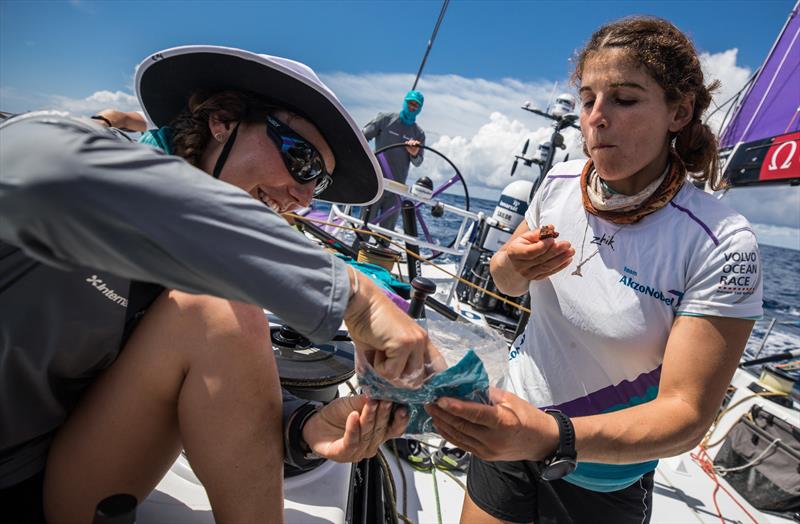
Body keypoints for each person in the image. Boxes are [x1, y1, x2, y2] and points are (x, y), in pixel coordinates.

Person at [0, 46, 439, 524]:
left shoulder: (213, 269)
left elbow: (206, 358)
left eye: (319, 185)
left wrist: (305, 427)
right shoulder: (65, 149)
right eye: (303, 162)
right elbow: (41, 162)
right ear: (223, 120)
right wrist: (355, 297)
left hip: (45, 473)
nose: (305, 196)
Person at [426, 17, 763, 524]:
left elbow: (687, 416)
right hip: (511, 426)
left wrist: (551, 435)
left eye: (624, 100)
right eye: (588, 100)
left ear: (679, 111)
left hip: (602, 472)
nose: (596, 118)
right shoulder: (559, 184)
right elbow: (506, 282)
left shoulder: (721, 242)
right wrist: (509, 264)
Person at [361, 90, 426, 230]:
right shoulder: (385, 119)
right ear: (404, 102)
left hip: (397, 188)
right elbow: (362, 137)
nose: (412, 107)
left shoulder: (419, 134)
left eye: (416, 105)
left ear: (420, 109)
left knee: (386, 233)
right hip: (376, 181)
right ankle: (355, 249)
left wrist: (414, 153)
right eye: (410, 103)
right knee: (363, 227)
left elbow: (418, 162)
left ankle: (382, 249)